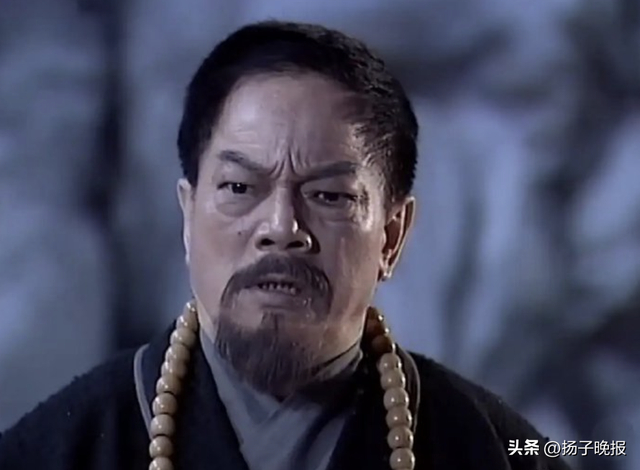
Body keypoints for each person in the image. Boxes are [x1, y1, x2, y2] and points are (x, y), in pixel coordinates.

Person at [0, 20, 572, 470]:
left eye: (329, 195)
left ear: (392, 236)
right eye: (239, 188)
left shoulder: (494, 450)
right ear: (187, 215)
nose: (281, 226)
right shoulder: (61, 448)